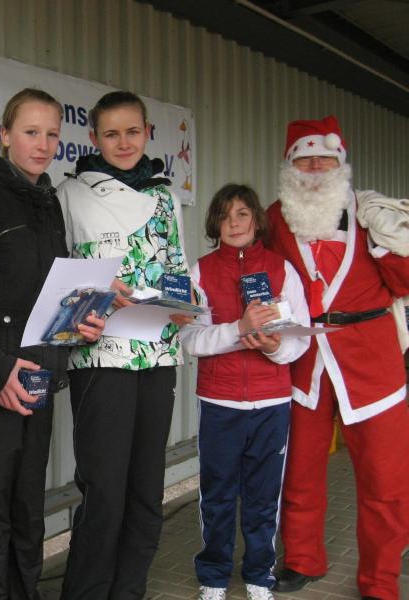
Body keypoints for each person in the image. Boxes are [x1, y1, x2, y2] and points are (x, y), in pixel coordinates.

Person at [0, 88, 103, 600]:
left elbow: (50, 295)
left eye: (52, 134)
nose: (43, 144)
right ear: (5, 134)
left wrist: (78, 324)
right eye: (31, 132)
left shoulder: (49, 205)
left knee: (27, 513)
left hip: (37, 379)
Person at [266, 116, 409, 599]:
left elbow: (405, 284)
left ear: (341, 164)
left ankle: (380, 580)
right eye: (305, 159)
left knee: (386, 479)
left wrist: (390, 244)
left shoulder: (372, 214)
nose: (315, 167)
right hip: (303, 357)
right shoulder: (274, 217)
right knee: (299, 469)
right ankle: (302, 559)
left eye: (324, 159)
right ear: (290, 166)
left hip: (371, 360)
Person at [56, 90, 189, 599]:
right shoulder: (70, 194)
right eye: (111, 134)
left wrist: (186, 303)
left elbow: (176, 269)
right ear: (93, 138)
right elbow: (57, 278)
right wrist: (93, 292)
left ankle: (129, 590)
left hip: (158, 354)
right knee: (105, 491)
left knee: (146, 489)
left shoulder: (165, 197)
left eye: (133, 132)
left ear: (148, 132)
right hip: (100, 358)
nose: (124, 142)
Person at [174, 184, 309, 600]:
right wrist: (239, 330)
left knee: (263, 497)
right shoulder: (199, 272)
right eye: (225, 215)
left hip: (272, 403)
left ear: (256, 220)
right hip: (220, 402)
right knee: (217, 495)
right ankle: (214, 577)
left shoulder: (283, 270)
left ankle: (259, 575)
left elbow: (299, 340)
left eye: (242, 214)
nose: (234, 223)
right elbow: (191, 339)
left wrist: (273, 347)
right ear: (214, 223)